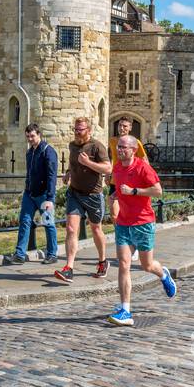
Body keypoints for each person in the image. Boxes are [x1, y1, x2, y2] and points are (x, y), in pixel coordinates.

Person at [106, 136, 177, 326]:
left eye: (123, 147)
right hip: (123, 223)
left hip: (143, 222)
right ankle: (125, 310)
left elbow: (158, 191)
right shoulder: (117, 167)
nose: (119, 150)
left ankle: (163, 274)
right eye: (118, 147)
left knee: (147, 265)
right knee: (123, 264)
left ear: (133, 149)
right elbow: (120, 188)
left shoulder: (142, 167)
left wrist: (134, 191)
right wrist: (115, 195)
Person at [54, 117, 112, 283]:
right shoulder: (73, 145)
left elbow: (108, 168)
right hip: (75, 193)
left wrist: (88, 163)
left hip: (93, 195)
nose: (77, 132)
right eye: (76, 129)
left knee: (96, 229)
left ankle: (102, 261)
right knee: (71, 229)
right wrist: (68, 172)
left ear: (89, 130)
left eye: (81, 130)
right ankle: (69, 268)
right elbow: (74, 163)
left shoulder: (97, 146)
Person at [7, 123, 60, 265]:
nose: (30, 139)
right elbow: (30, 174)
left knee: (48, 223)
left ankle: (52, 254)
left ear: (39, 135)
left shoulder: (48, 152)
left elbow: (51, 176)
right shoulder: (30, 152)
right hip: (30, 194)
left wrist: (50, 198)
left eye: (32, 136)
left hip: (44, 195)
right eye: (28, 136)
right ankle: (19, 254)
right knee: (24, 221)